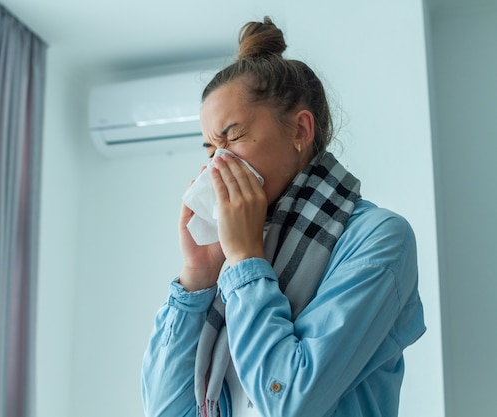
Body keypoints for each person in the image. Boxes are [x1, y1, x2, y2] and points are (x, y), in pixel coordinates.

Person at [141, 16, 425, 417]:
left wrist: (245, 262)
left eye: (233, 137)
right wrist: (197, 276)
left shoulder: (378, 239)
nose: (219, 163)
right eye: (210, 150)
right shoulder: (236, 259)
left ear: (300, 130)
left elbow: (289, 401)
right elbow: (167, 411)